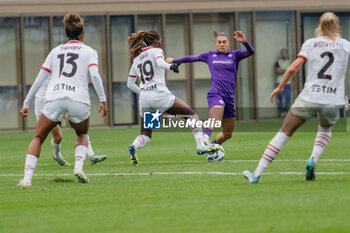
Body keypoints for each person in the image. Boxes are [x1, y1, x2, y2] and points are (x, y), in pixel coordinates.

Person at [243, 12, 350, 183]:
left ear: (320, 27)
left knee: (283, 133)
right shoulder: (345, 45)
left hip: (309, 97)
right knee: (325, 128)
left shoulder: (310, 43)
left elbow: (293, 68)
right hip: (332, 100)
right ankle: (313, 160)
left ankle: (256, 174)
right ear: (337, 28)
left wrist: (280, 86)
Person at [17, 12, 107, 187]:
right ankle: (78, 168)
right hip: (78, 98)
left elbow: (38, 80)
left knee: (38, 137)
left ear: (66, 34)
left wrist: (26, 103)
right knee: (81, 134)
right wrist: (103, 99)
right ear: (82, 34)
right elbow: (95, 76)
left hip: (54, 97)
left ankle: (27, 179)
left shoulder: (55, 51)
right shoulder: (89, 51)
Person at [126, 30, 217, 165]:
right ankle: (201, 146)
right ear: (156, 42)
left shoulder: (137, 58)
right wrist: (171, 66)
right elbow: (159, 62)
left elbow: (130, 84)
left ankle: (134, 146)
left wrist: (144, 91)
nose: (161, 44)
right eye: (161, 41)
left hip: (145, 99)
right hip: (160, 95)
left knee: (146, 134)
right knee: (192, 116)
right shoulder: (156, 51)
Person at [167, 30, 255, 146]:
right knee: (216, 119)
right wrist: (174, 61)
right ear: (216, 43)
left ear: (228, 43)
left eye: (224, 42)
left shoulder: (235, 55)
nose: (222, 44)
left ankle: (212, 146)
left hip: (229, 97)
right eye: (219, 42)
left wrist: (244, 42)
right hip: (215, 93)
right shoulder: (209, 56)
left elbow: (251, 51)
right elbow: (191, 58)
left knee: (227, 134)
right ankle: (204, 139)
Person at [22, 74, 107, 167]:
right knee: (57, 137)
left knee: (78, 121)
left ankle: (91, 155)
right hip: (43, 106)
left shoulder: (66, 70)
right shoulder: (51, 66)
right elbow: (36, 83)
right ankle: (56, 156)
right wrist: (26, 104)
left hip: (57, 102)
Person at [275, 48, 292, 117]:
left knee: (288, 98)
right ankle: (282, 112)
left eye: (285, 53)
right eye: (282, 53)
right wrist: (287, 70)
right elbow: (278, 72)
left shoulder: (290, 61)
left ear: (287, 54)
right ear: (281, 54)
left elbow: (292, 71)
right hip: (279, 82)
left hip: (288, 83)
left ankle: (286, 111)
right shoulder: (278, 62)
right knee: (280, 98)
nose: (284, 54)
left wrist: (284, 70)